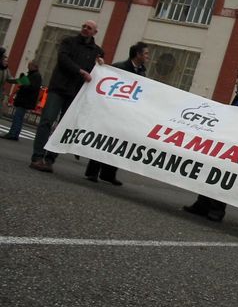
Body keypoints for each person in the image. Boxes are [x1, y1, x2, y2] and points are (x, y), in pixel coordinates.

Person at [183, 69, 238, 222]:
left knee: (220, 175)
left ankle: (216, 209)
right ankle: (203, 204)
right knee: (212, 172)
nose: (236, 83)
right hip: (229, 139)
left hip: (234, 142)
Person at [29, 20, 104, 173]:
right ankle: (37, 156)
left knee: (63, 127)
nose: (85, 29)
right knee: (47, 120)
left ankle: (50, 159)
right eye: (83, 26)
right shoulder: (68, 41)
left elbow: (97, 72)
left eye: (89, 28)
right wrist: (80, 71)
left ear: (95, 32)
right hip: (58, 88)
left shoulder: (97, 51)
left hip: (75, 93)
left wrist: (100, 65)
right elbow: (63, 60)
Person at [84, 42, 149, 185]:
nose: (147, 57)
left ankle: (108, 173)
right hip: (113, 110)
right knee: (103, 140)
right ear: (137, 54)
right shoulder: (120, 67)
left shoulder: (142, 72)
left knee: (118, 144)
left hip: (127, 113)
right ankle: (93, 172)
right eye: (145, 54)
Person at [1, 60, 42, 141]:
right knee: (19, 117)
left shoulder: (35, 76)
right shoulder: (33, 75)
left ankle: (13, 134)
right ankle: (15, 133)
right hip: (25, 100)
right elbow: (20, 82)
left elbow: (32, 87)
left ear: (34, 66)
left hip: (25, 100)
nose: (28, 67)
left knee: (18, 117)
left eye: (29, 65)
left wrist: (23, 85)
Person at [0, 46, 14, 114]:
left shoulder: (5, 69)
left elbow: (9, 78)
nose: (4, 59)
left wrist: (19, 80)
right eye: (3, 57)